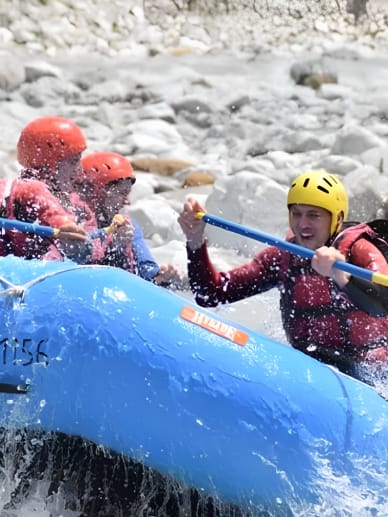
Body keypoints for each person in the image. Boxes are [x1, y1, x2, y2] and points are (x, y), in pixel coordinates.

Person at [178, 169, 388, 382]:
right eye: (296, 213)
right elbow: (210, 294)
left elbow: (383, 302)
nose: (303, 224)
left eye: (314, 215)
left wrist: (341, 275)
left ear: (337, 218)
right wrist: (195, 242)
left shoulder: (359, 249)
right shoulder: (283, 258)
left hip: (373, 377)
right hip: (312, 370)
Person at [81, 151, 186, 287]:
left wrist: (162, 277)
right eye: (121, 193)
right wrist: (113, 246)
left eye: (127, 193)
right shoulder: (72, 220)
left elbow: (147, 271)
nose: (127, 201)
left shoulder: (128, 225)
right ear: (97, 192)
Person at [14, 115, 97, 261]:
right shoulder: (24, 189)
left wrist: (115, 239)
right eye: (73, 161)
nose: (79, 169)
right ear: (48, 165)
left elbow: (94, 253)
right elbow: (47, 207)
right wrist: (62, 224)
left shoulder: (77, 205)